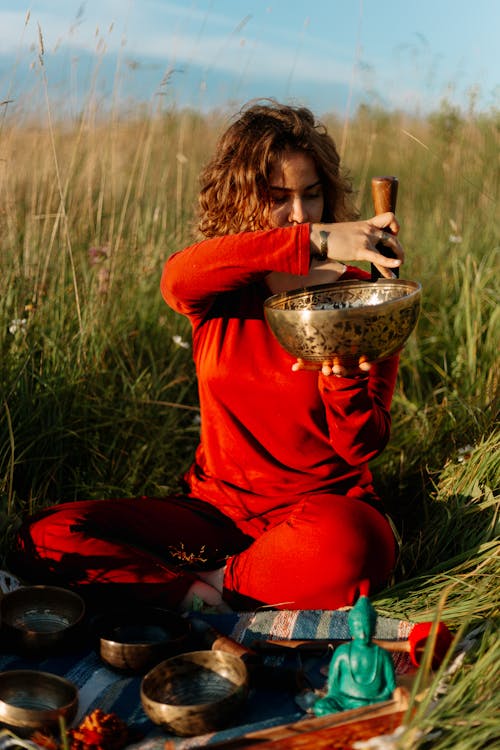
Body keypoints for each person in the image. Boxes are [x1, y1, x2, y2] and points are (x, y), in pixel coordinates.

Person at [11, 100, 404, 613]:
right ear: (241, 198)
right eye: (278, 197)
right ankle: (207, 591)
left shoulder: (362, 299)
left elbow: (362, 448)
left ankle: (201, 590)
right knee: (43, 537)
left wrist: (344, 380)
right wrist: (313, 241)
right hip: (213, 514)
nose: (301, 214)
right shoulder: (219, 288)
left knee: (358, 545)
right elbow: (176, 276)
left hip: (317, 518)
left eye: (312, 196)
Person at [313, 595, 396, 715]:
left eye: (366, 627)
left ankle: (350, 717)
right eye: (358, 628)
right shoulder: (342, 652)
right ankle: (351, 716)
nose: (362, 634)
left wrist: (380, 700)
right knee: (321, 707)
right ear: (351, 629)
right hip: (344, 701)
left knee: (389, 708)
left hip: (373, 702)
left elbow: (391, 687)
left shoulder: (382, 655)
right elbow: (333, 686)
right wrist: (334, 698)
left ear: (374, 628)